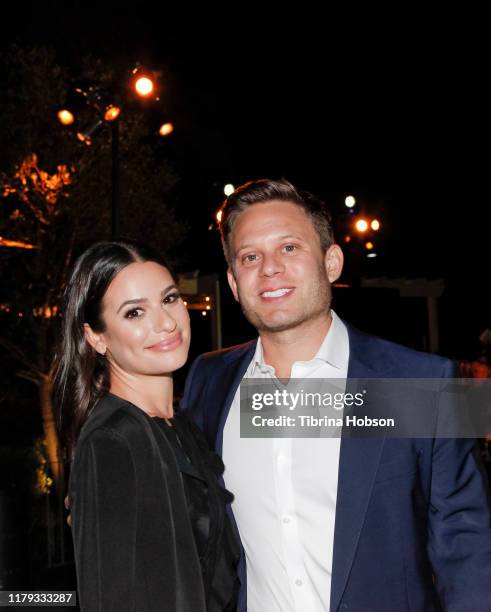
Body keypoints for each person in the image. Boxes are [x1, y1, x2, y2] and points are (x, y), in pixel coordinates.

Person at [181, 179, 491, 611]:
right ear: (234, 283)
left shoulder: (417, 385)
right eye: (250, 256)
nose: (269, 267)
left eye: (289, 248)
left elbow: (467, 549)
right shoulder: (210, 381)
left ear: (332, 262)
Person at [54, 239, 239, 612]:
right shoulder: (113, 440)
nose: (166, 322)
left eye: (169, 299)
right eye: (135, 313)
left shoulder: (179, 427)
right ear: (96, 337)